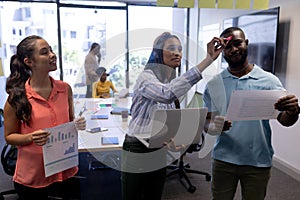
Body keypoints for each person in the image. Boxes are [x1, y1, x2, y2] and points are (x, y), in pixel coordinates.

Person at [121, 32, 226, 200]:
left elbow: (166, 121)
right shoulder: (145, 78)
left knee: (154, 196)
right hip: (137, 149)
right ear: (157, 53)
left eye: (179, 49)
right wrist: (208, 60)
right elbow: (166, 94)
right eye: (171, 48)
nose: (177, 52)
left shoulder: (169, 82)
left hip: (158, 149)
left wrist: (170, 139)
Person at [203, 27, 300, 200]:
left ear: (246, 43)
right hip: (223, 159)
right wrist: (215, 126)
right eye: (227, 46)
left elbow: (284, 120)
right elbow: (206, 123)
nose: (233, 49)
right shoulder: (214, 84)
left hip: (258, 160)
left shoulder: (269, 81)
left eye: (237, 43)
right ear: (222, 50)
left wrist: (293, 112)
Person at [3, 35, 86, 200]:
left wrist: (76, 124)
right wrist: (30, 137)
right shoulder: (17, 97)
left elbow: (68, 122)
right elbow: (9, 137)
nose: (52, 55)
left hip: (64, 169)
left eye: (51, 50)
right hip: (33, 175)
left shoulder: (65, 89)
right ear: (29, 62)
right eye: (44, 52)